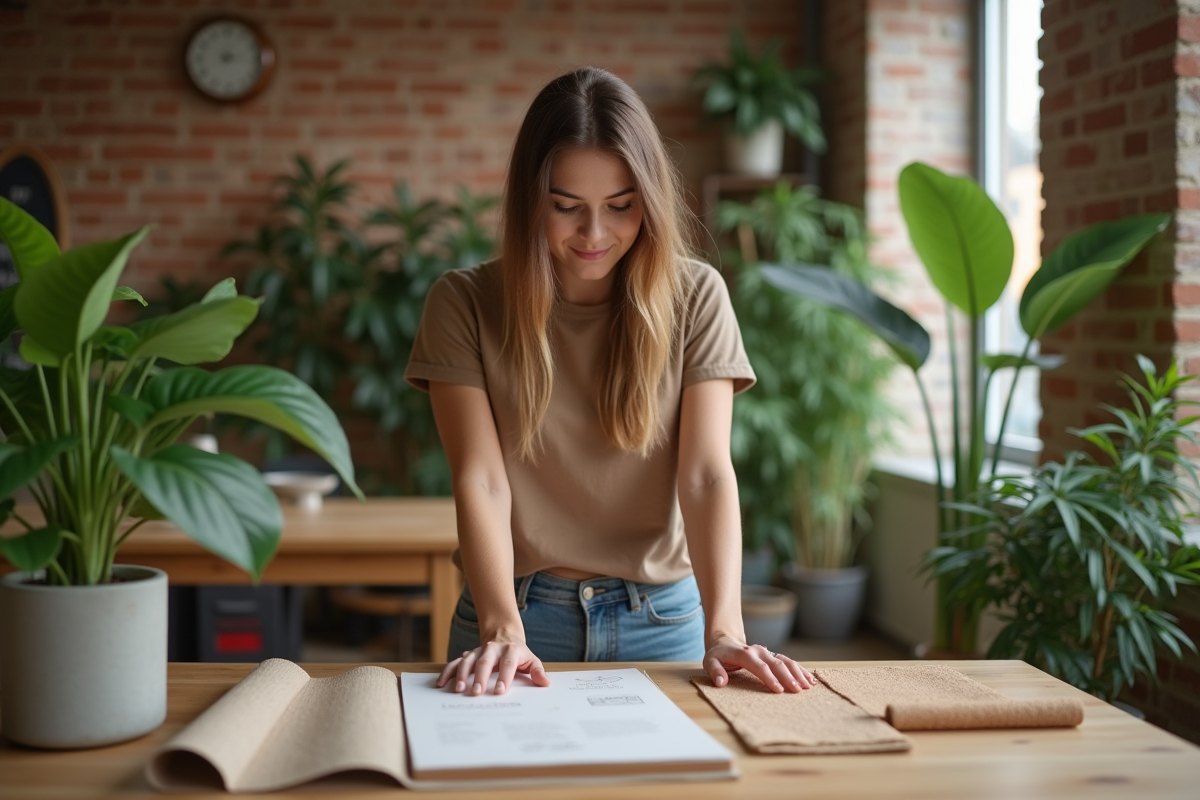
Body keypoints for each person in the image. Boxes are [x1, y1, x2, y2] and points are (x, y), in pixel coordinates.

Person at [404, 67, 815, 697]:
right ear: (528, 201)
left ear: (648, 200)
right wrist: (502, 627)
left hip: (665, 618)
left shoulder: (696, 296)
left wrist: (725, 627)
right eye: (566, 207)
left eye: (621, 207)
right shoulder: (463, 302)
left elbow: (705, 474)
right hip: (514, 618)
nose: (594, 235)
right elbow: (481, 479)